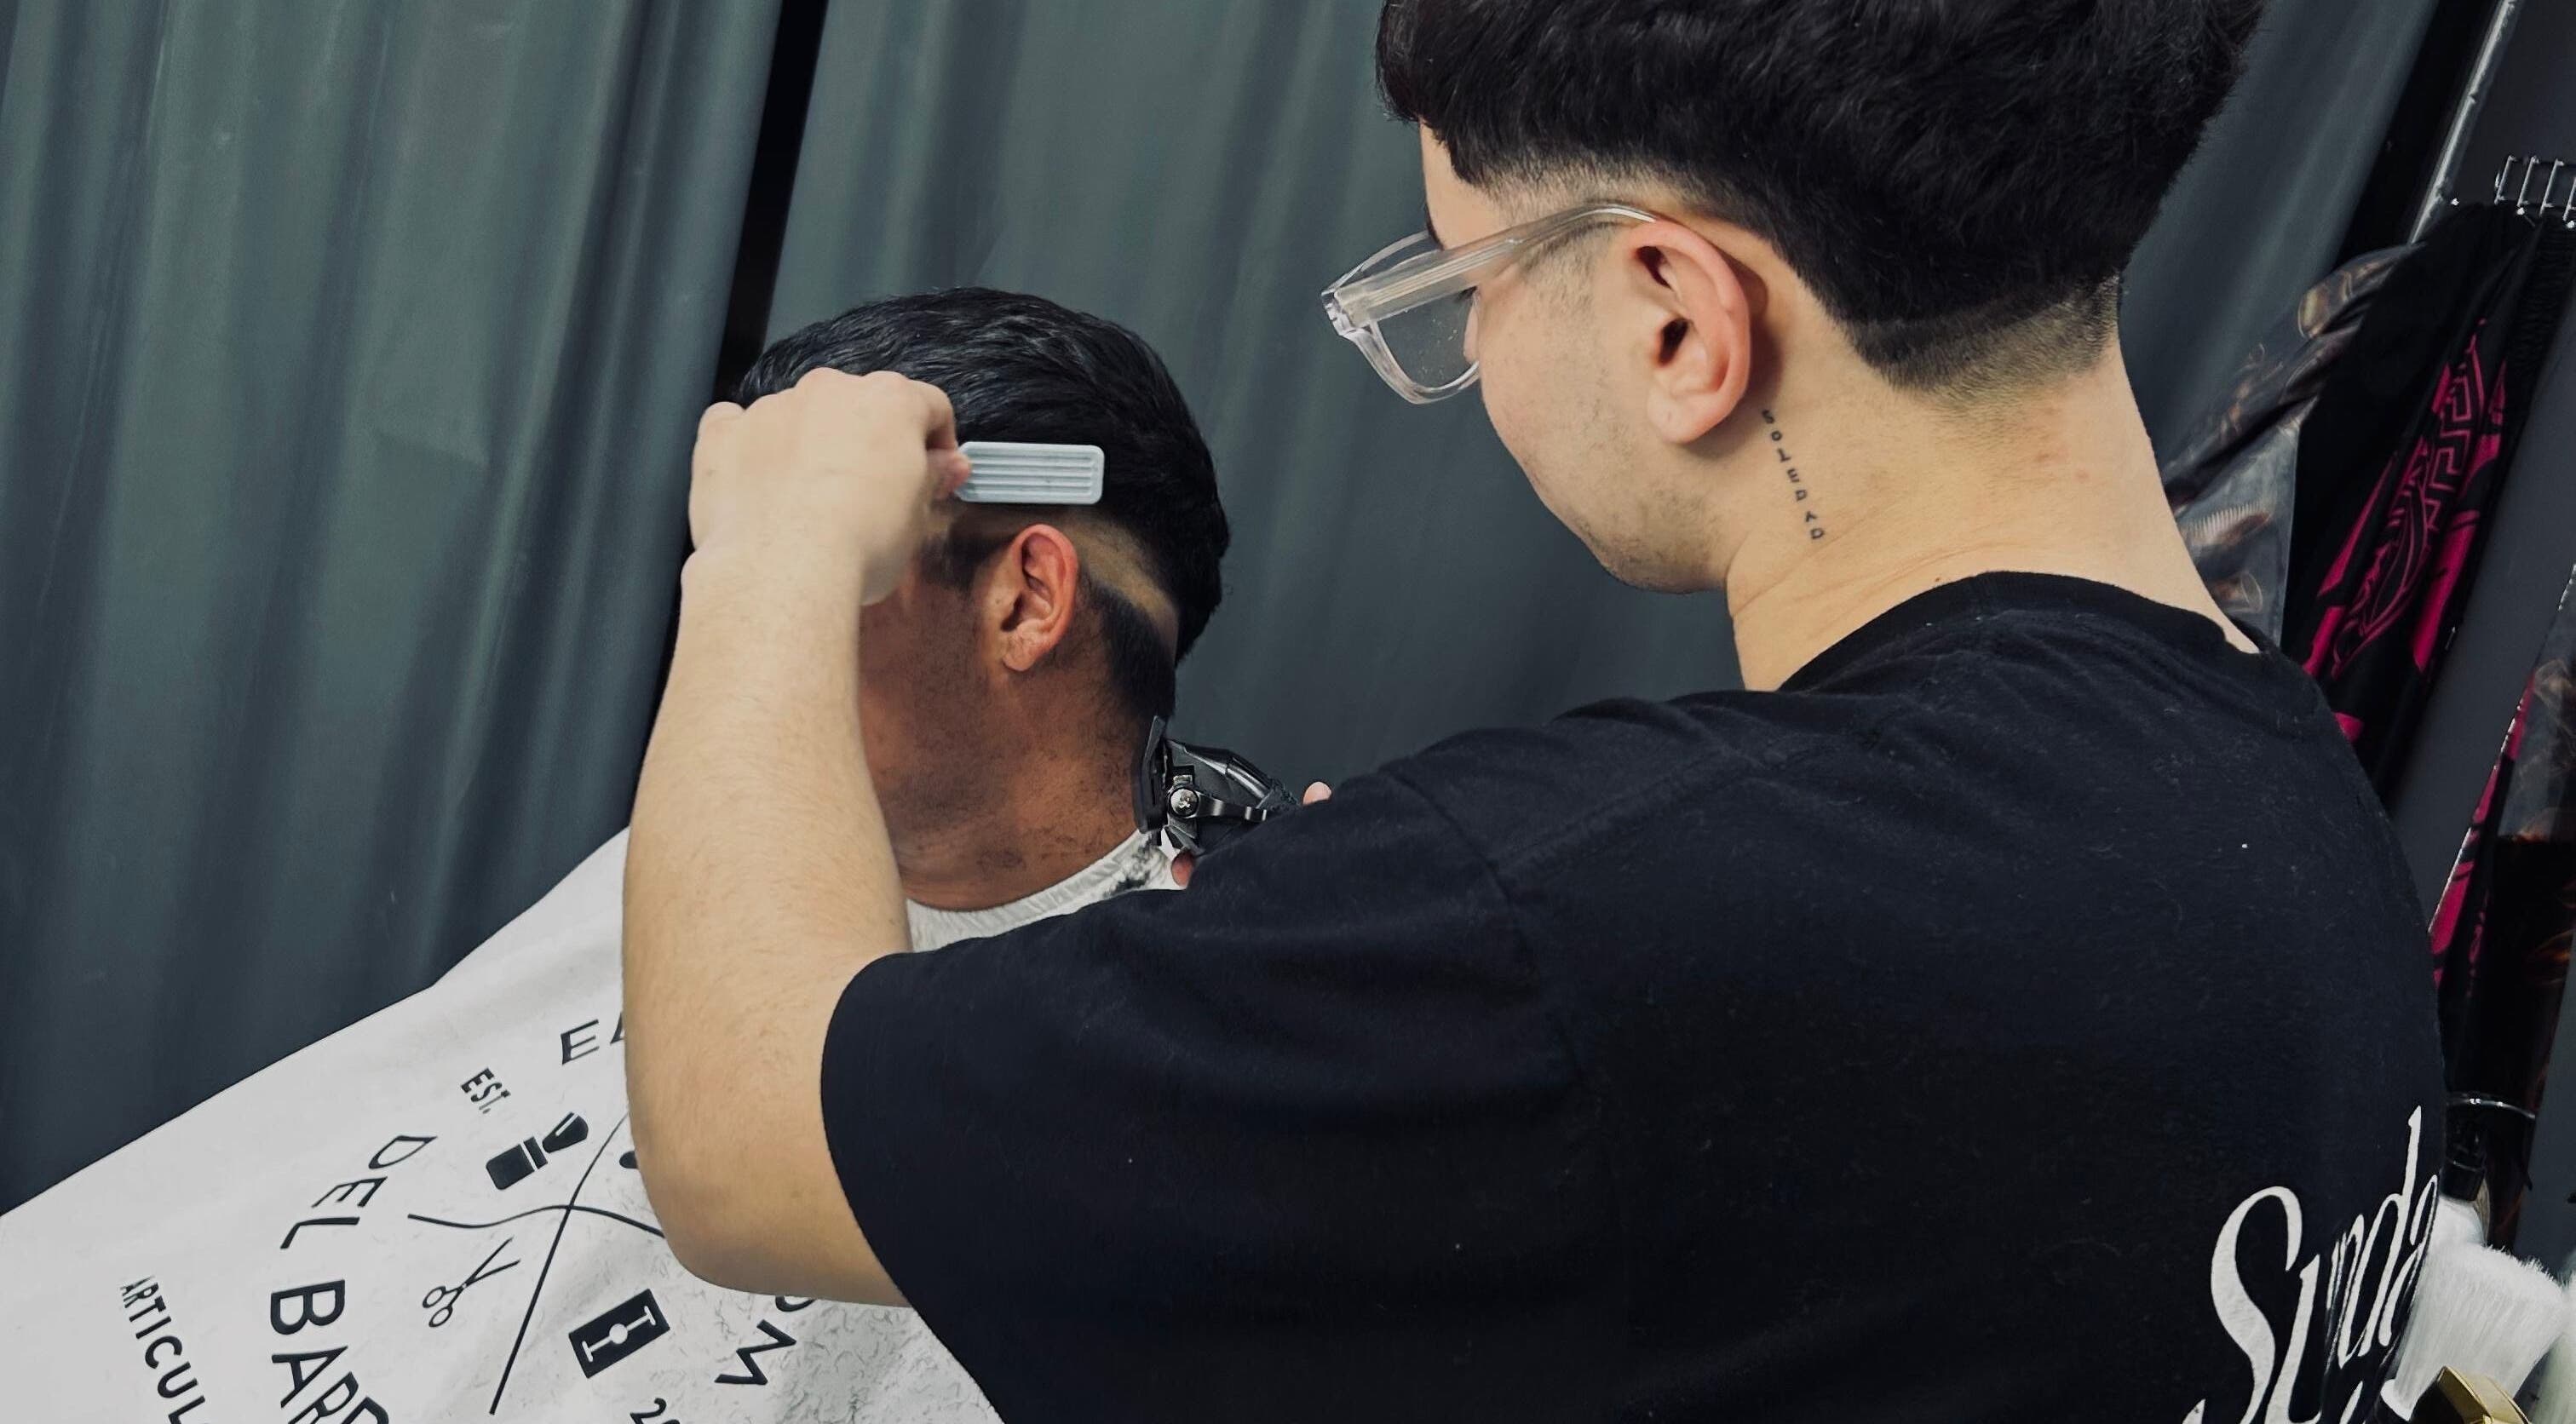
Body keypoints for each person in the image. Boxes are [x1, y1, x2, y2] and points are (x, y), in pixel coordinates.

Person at [624, 3, 2446, 1421]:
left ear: (1675, 319)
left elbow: (736, 1136)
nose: (1474, 350)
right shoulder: (2302, 815)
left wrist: (771, 548)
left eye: (1465, 285)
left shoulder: (1568, 924)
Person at [0, 288, 1229, 1424]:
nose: (743, 628)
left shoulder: (1156, 1055)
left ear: (1025, 599)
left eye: (816, 559)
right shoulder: (729, 838)